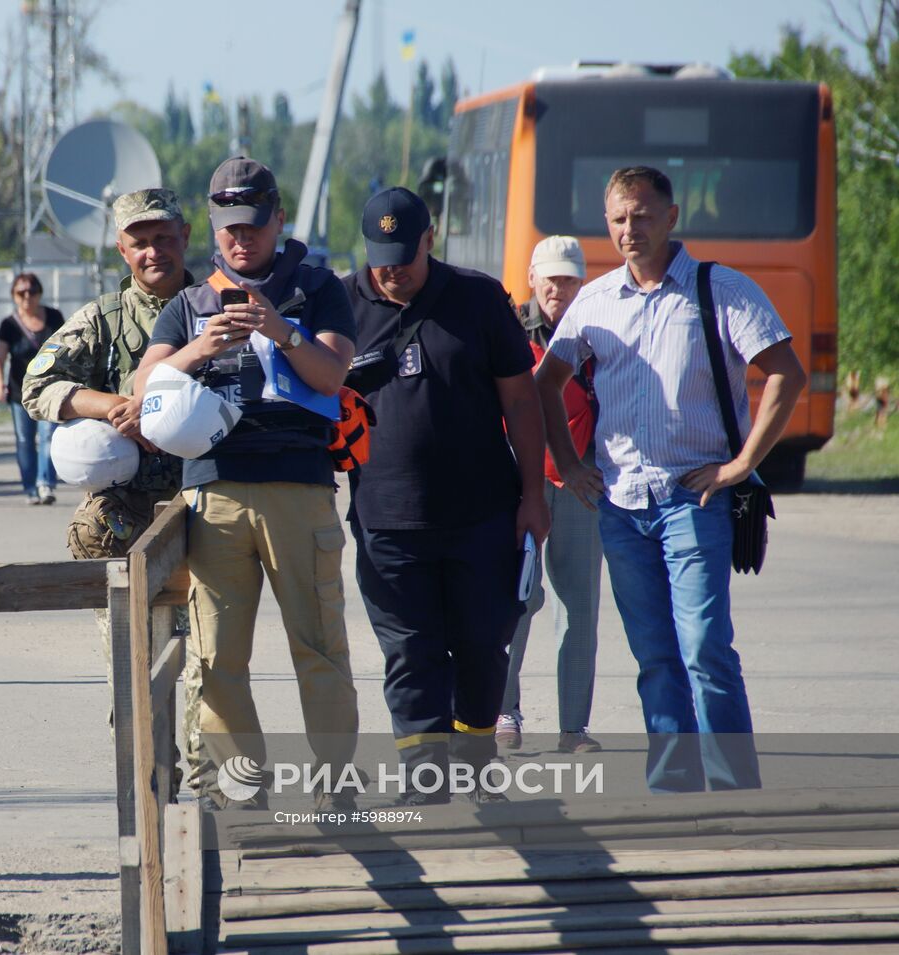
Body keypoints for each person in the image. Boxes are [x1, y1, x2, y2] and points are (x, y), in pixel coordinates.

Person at [537, 166, 805, 793]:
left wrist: (743, 466)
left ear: (672, 216)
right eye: (619, 219)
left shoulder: (721, 290)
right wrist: (569, 465)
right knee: (655, 656)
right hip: (622, 508)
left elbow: (785, 372)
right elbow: (545, 383)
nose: (630, 229)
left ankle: (734, 784)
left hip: (696, 499)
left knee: (705, 647)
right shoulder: (595, 302)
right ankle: (674, 785)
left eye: (642, 215)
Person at [135, 156, 360, 810]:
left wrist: (279, 328)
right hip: (215, 494)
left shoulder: (318, 287)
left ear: (279, 219)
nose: (242, 239)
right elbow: (143, 390)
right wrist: (199, 349)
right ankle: (243, 794)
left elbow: (331, 374)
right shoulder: (187, 303)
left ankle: (336, 793)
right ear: (214, 225)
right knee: (216, 661)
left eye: (255, 225)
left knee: (318, 648)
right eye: (230, 227)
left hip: (299, 488)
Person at [342, 187, 550, 804]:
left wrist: (533, 496)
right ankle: (425, 782)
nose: (392, 268)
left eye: (405, 253)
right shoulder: (342, 304)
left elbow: (521, 400)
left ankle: (477, 768)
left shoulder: (480, 298)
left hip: (483, 514)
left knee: (483, 645)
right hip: (385, 521)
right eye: (380, 256)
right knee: (411, 654)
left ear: (431, 239)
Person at [20, 187, 203, 779]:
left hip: (208, 506)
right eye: (140, 242)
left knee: (210, 665)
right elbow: (36, 388)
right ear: (123, 250)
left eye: (164, 239)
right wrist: (111, 407)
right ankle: (150, 790)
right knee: (135, 666)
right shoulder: (103, 319)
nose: (154, 252)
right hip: (126, 517)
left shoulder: (218, 306)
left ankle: (216, 800)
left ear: (186, 239)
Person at [496, 235, 604, 755]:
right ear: (533, 279)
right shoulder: (508, 330)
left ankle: (572, 729)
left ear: (581, 282)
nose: (559, 288)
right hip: (520, 484)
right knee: (517, 600)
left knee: (579, 608)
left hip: (583, 483)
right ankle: (503, 710)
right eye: (551, 279)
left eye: (569, 279)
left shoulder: (599, 333)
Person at [0, 272, 64, 504]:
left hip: (49, 388)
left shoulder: (54, 317)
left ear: (39, 293)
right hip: (19, 392)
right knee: (24, 440)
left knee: (49, 435)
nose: (27, 297)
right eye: (20, 292)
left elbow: (66, 348)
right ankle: (31, 487)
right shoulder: (9, 325)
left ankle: (45, 484)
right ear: (13, 296)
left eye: (31, 291)